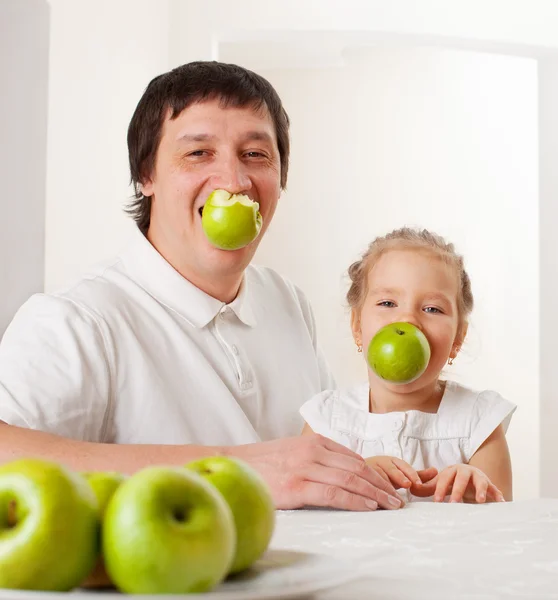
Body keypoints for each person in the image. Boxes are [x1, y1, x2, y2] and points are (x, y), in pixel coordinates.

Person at [0, 61, 402, 511]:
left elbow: (314, 456)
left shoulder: (286, 301)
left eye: (255, 154)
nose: (234, 181)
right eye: (198, 154)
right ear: (145, 175)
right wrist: (235, 470)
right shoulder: (77, 320)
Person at [301, 227, 515, 503]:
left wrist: (475, 491)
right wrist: (356, 477)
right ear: (357, 325)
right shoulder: (326, 421)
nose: (408, 321)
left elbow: (505, 526)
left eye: (432, 309)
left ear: (457, 338)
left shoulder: (479, 422)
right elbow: (305, 515)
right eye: (388, 302)